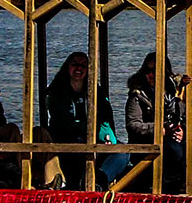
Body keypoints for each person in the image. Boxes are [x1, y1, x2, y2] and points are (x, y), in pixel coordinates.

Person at [0, 60, 64, 188]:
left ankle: (54, 181)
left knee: (40, 134)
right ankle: (25, 179)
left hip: (3, 144)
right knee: (11, 129)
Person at [45, 52, 129, 188]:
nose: (79, 69)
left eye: (83, 66)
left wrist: (108, 136)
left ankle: (98, 182)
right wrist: (88, 129)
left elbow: (105, 117)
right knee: (79, 144)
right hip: (66, 141)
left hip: (94, 138)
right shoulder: (56, 91)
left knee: (123, 152)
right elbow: (62, 122)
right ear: (67, 67)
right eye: (75, 65)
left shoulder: (97, 92)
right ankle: (78, 183)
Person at [124, 52, 190, 192]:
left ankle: (179, 185)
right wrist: (159, 130)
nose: (151, 75)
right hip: (147, 141)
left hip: (173, 137)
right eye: (148, 71)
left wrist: (183, 131)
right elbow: (133, 125)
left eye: (156, 71)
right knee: (175, 151)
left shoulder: (176, 93)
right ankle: (167, 188)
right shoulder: (137, 94)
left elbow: (188, 119)